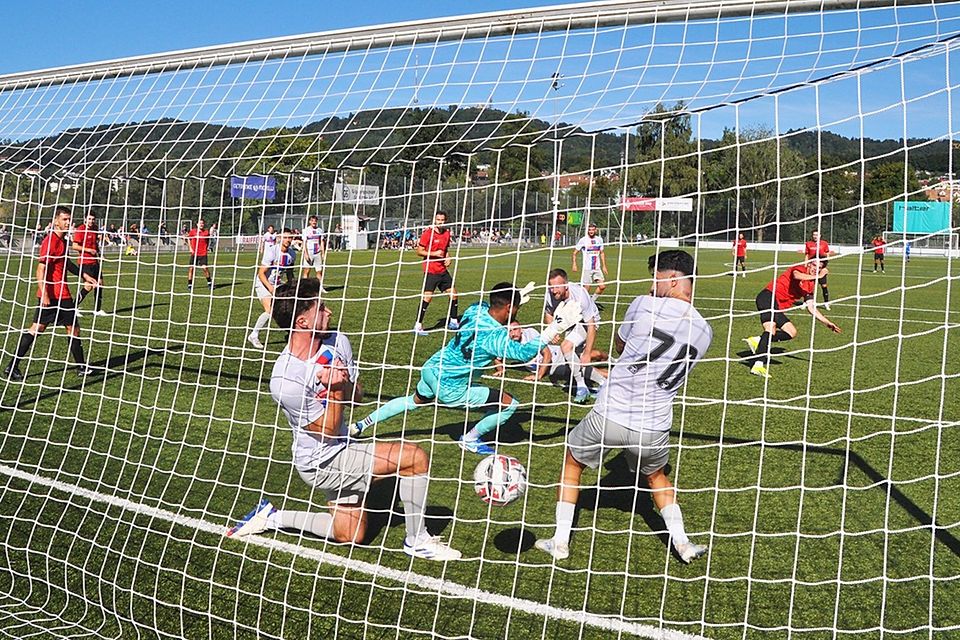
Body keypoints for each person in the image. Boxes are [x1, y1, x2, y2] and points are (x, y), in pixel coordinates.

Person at [226, 278, 461, 561]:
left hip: (342, 446)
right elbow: (326, 430)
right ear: (302, 321)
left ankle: (272, 517)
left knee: (350, 535)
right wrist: (335, 389)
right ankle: (417, 540)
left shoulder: (338, 341)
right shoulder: (285, 379)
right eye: (321, 308)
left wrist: (345, 384)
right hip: (320, 462)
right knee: (414, 458)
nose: (329, 313)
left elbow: (358, 396)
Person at [535, 250, 712, 564]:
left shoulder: (645, 304)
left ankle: (560, 541)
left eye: (656, 278)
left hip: (612, 412)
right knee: (657, 476)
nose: (652, 284)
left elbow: (619, 345)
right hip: (655, 423)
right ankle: (683, 544)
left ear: (672, 279)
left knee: (572, 464)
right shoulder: (705, 331)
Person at [350, 282, 583, 454]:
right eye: (516, 308)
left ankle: (360, 425)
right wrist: (556, 327)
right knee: (510, 404)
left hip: (433, 367)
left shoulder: (474, 311)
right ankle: (470, 438)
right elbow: (523, 352)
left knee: (413, 400)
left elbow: (483, 303)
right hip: (450, 387)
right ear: (509, 307)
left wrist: (516, 296)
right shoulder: (494, 338)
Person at [4, 206, 96, 381]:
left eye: (69, 219)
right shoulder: (50, 241)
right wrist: (45, 293)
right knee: (44, 329)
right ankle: (12, 365)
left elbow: (65, 263)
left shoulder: (62, 241)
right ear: (55, 221)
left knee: (66, 328)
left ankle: (12, 366)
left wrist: (84, 275)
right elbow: (41, 269)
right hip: (54, 295)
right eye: (64, 219)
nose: (68, 222)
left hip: (62, 294)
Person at [744, 259, 842, 378]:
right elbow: (796, 276)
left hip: (777, 306)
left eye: (819, 268)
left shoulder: (810, 285)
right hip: (768, 296)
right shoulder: (800, 268)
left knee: (792, 332)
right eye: (814, 265)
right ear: (809, 264)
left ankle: (759, 340)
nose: (816, 269)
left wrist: (827, 322)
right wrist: (819, 276)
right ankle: (758, 365)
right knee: (771, 327)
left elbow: (811, 307)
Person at [495, 321, 608, 392]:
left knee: (596, 355)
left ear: (521, 329)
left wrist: (538, 376)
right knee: (587, 370)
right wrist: (500, 369)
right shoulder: (508, 344)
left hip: (558, 355)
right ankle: (614, 375)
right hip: (554, 368)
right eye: (509, 331)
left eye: (515, 329)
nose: (513, 333)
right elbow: (496, 357)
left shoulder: (530, 334)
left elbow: (547, 355)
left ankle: (613, 360)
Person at [543, 268, 601, 403]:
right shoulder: (550, 294)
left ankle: (581, 387)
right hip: (571, 321)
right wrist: (553, 330)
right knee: (576, 360)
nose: (553, 290)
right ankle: (604, 384)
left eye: (557, 287)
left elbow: (591, 326)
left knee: (566, 347)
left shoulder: (580, 294)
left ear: (566, 285)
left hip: (587, 322)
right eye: (551, 287)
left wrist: (588, 352)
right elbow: (548, 313)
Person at [247, 229, 297, 349]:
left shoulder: (292, 254)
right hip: (263, 283)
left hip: (278, 284)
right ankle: (254, 335)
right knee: (270, 310)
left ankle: (293, 333)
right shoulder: (272, 251)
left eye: (290, 238)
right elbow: (261, 273)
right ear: (280, 238)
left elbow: (290, 272)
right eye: (285, 237)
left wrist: (292, 287)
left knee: (290, 307)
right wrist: (271, 289)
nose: (288, 240)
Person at [414, 211, 458, 335]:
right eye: (438, 220)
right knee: (427, 298)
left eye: (442, 220)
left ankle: (453, 321)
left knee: (454, 294)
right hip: (431, 270)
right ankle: (418, 325)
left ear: (446, 221)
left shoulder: (447, 234)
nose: (440, 222)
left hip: (442, 271)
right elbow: (419, 251)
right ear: (435, 220)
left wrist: (448, 257)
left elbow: (445, 250)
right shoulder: (428, 234)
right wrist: (434, 254)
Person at [72, 211, 109, 316]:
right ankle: (73, 308)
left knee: (100, 284)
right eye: (89, 219)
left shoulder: (95, 228)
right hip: (85, 262)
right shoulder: (80, 230)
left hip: (94, 261)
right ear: (85, 219)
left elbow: (95, 244)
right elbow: (74, 246)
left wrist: (99, 254)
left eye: (93, 219)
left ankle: (97, 310)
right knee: (88, 286)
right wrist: (88, 250)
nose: (91, 221)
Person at [799, 230, 837, 309]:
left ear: (820, 235)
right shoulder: (808, 244)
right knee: (809, 286)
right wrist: (805, 266)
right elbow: (807, 255)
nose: (815, 236)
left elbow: (827, 254)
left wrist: (825, 265)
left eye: (817, 235)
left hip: (820, 268)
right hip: (811, 268)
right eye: (814, 235)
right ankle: (805, 302)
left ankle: (826, 303)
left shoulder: (824, 243)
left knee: (824, 285)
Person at [572, 223, 608, 301]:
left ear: (596, 230)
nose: (591, 231)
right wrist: (574, 264)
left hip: (597, 268)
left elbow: (602, 253)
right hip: (587, 268)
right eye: (589, 230)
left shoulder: (599, 240)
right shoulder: (583, 240)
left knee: (602, 286)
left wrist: (604, 266)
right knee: (586, 289)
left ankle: (591, 301)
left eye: (592, 229)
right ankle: (582, 304)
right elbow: (575, 253)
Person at [185, 219, 212, 290]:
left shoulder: (206, 232)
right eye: (200, 223)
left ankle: (210, 283)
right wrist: (190, 248)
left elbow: (208, 240)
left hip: (203, 254)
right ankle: (190, 285)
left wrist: (207, 247)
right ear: (197, 224)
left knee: (205, 268)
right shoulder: (193, 231)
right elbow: (188, 238)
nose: (201, 224)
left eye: (202, 223)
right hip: (194, 254)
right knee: (191, 269)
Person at [301, 215, 325, 281]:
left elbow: (322, 242)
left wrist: (323, 253)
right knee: (306, 271)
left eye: (315, 221)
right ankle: (304, 287)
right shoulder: (306, 230)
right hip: (309, 252)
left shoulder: (320, 230)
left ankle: (320, 287)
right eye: (312, 221)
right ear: (309, 222)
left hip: (317, 253)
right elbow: (304, 242)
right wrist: (305, 254)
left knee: (319, 271)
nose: (314, 222)